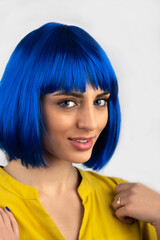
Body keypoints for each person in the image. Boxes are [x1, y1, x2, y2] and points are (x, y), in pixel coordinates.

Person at [0, 22, 159, 240]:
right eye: (67, 103)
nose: (90, 123)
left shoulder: (127, 202)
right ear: (25, 102)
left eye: (100, 101)